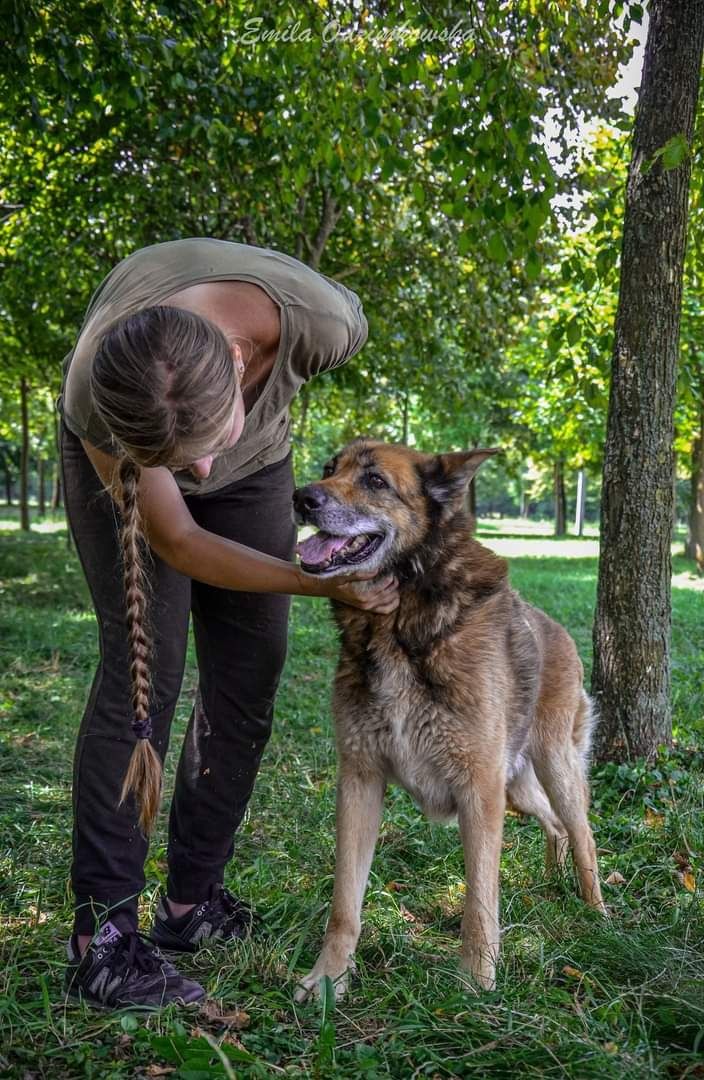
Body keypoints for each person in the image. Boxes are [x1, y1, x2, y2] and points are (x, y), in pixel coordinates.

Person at [58, 237, 398, 1010]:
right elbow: (179, 538)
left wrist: (313, 568)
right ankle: (101, 941)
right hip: (125, 446)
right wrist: (324, 581)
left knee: (250, 668)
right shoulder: (101, 389)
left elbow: (213, 466)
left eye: (204, 449)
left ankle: (191, 903)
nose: (199, 475)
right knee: (147, 672)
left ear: (243, 362)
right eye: (185, 460)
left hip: (260, 462)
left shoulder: (322, 322)